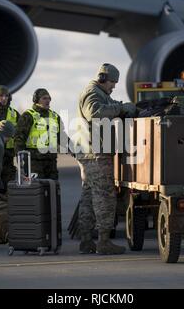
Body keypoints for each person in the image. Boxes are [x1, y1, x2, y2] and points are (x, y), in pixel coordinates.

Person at [75, 63, 137, 255]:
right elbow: (94, 113)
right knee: (104, 197)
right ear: (102, 79)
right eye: (112, 82)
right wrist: (120, 108)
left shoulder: (99, 94)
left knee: (88, 198)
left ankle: (86, 241)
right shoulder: (92, 93)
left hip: (90, 153)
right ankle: (103, 242)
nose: (114, 86)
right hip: (97, 154)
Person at [14, 88, 67, 180]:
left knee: (53, 189)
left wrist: (75, 149)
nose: (48, 101)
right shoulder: (28, 116)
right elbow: (19, 139)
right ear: (36, 100)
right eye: (44, 98)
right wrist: (21, 160)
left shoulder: (55, 117)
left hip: (51, 162)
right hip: (34, 162)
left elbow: (61, 137)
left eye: (49, 98)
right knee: (36, 190)